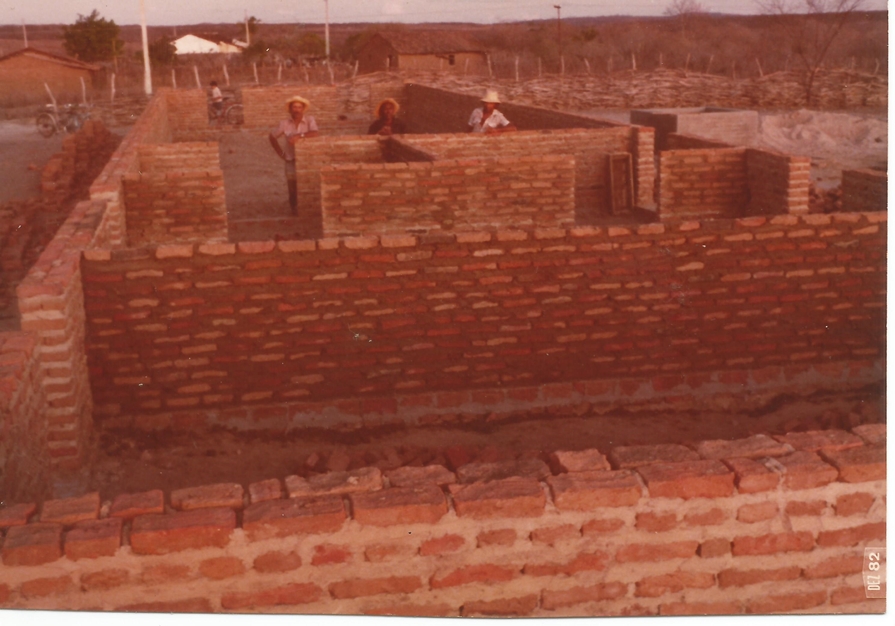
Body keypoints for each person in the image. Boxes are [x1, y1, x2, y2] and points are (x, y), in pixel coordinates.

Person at [268, 95, 319, 212]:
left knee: (308, 183)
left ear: (303, 109)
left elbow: (315, 133)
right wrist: (281, 153)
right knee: (292, 185)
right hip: (290, 159)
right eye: (294, 107)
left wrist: (299, 136)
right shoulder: (284, 123)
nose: (297, 110)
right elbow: (272, 137)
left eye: (299, 107)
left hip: (307, 159)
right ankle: (294, 208)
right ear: (290, 109)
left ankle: (308, 208)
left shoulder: (309, 120)